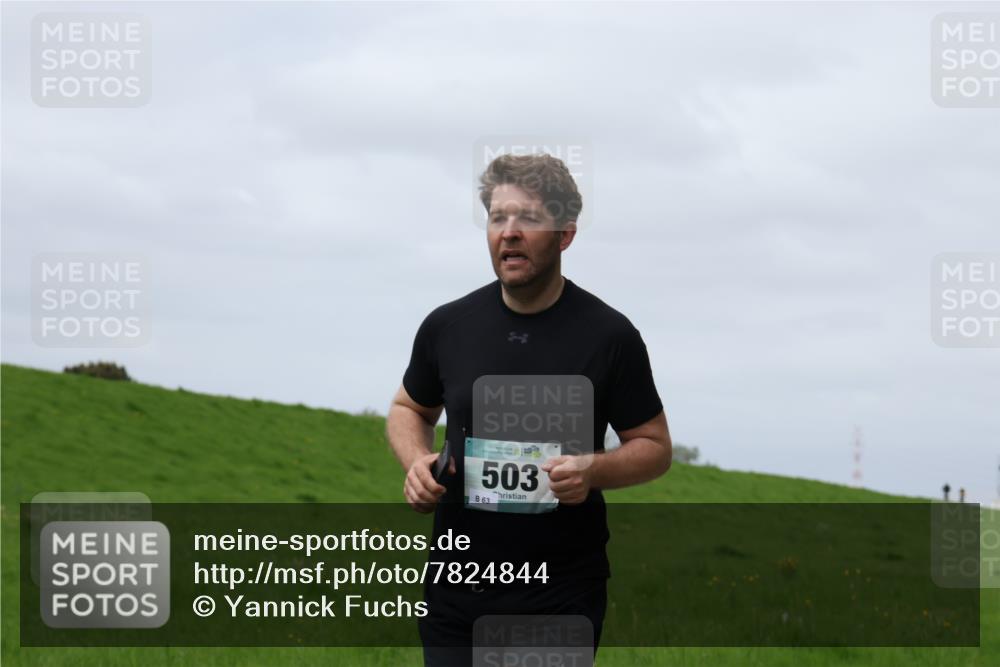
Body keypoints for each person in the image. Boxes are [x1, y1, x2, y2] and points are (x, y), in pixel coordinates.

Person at [386, 153, 671, 666]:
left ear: (565, 235)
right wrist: (414, 462)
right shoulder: (448, 327)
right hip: (458, 586)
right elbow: (410, 407)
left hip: (558, 590)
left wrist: (592, 469)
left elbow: (654, 447)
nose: (509, 232)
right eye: (498, 217)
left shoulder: (610, 336)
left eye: (529, 218)